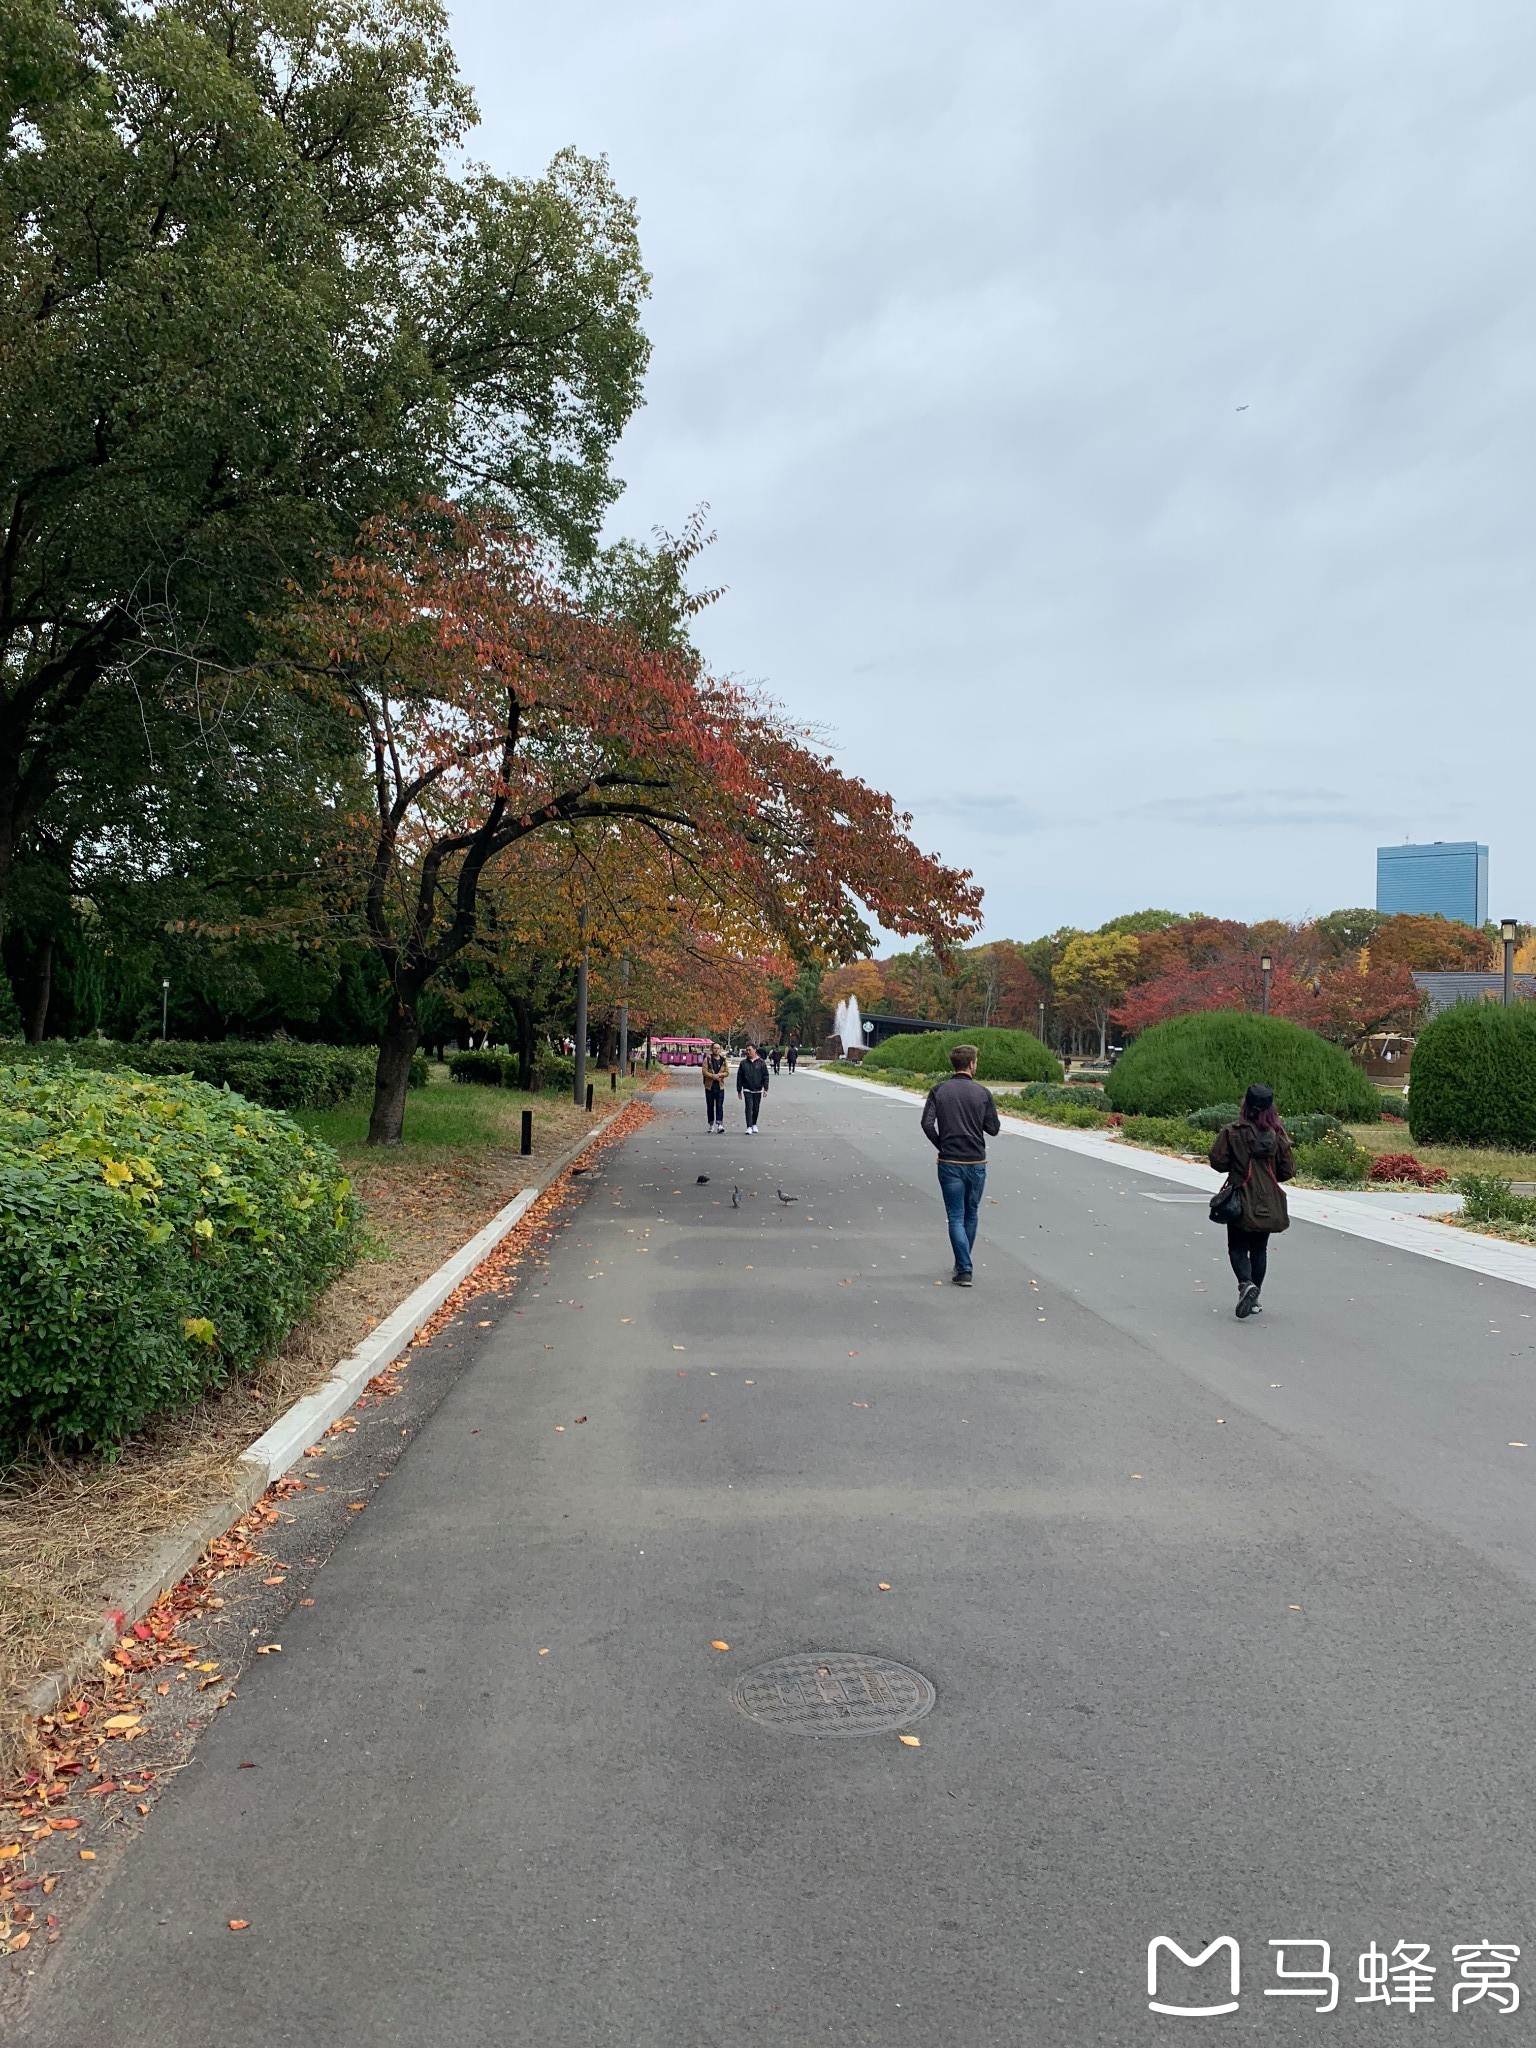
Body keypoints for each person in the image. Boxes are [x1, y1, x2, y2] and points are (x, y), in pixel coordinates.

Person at [1209, 1083, 1295, 1319]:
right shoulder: (1278, 1135)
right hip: (1268, 1200)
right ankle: (1254, 1298)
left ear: (1245, 1104)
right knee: (1259, 1249)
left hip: (1240, 1198)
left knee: (1237, 1247)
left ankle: (1246, 1284)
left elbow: (1218, 1162)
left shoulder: (1233, 1132)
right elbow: (1287, 1171)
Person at [920, 1043, 1000, 1286]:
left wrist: (941, 1144)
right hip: (976, 1161)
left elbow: (926, 1123)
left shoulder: (939, 1091)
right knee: (971, 1212)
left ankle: (964, 1267)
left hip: (950, 1160)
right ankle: (963, 1263)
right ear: (972, 1064)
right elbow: (993, 1129)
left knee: (955, 1216)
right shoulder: (983, 1093)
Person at [737, 1043, 770, 1134]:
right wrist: (739, 1090)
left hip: (758, 1088)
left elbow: (765, 1076)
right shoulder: (743, 1063)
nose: (747, 1052)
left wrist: (765, 1088)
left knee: (756, 1107)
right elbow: (739, 1076)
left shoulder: (761, 1063)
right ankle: (749, 1126)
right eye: (746, 1050)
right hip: (747, 1088)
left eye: (749, 1050)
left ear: (755, 1050)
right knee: (748, 1107)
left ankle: (754, 1124)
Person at [701, 1041, 729, 1132]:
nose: (716, 1050)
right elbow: (704, 1071)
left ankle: (720, 1124)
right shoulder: (707, 1059)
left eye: (718, 1048)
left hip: (720, 1086)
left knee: (719, 1105)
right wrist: (713, 1076)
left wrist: (719, 1075)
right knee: (710, 1105)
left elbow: (727, 1072)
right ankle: (711, 1124)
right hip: (709, 1086)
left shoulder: (723, 1060)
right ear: (711, 1049)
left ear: (720, 1049)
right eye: (714, 1048)